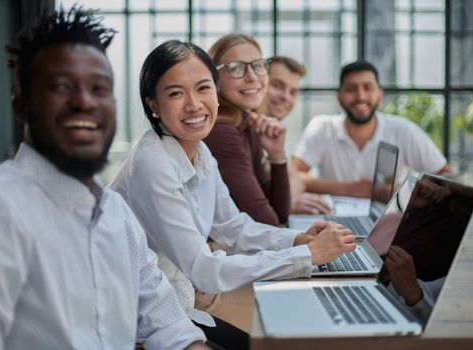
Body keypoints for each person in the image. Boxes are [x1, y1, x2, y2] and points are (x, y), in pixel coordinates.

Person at [0, 7, 208, 350]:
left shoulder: (115, 212)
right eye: (62, 87)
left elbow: (168, 325)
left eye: (99, 88)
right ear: (21, 105)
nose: (84, 101)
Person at [110, 39, 356, 348]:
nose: (194, 104)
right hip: (138, 324)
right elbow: (204, 271)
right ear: (153, 105)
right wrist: (308, 255)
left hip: (177, 306)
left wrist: (297, 240)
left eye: (203, 88)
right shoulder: (152, 162)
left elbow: (233, 226)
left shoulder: (200, 152)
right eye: (176, 93)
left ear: (216, 91)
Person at [292, 60, 451, 198]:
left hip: (386, 218)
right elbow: (293, 175)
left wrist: (405, 191)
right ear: (339, 97)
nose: (360, 96)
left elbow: (443, 174)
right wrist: (355, 189)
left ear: (380, 95)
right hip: (331, 220)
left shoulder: (402, 129)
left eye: (368, 88)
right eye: (351, 88)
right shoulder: (322, 127)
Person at [203, 34, 291, 225]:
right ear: (214, 80)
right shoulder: (222, 130)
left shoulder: (247, 123)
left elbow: (280, 213)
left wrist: (277, 155)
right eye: (236, 68)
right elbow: (267, 222)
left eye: (258, 66)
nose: (252, 77)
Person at [267, 56, 332, 215]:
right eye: (277, 85)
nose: (286, 97)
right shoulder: (246, 131)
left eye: (293, 92)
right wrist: (284, 203)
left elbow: (297, 181)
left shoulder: (272, 131)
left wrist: (287, 199)